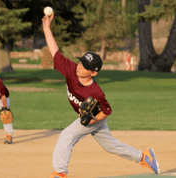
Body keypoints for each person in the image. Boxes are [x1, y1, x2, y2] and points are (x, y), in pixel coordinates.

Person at [42, 14, 160, 178]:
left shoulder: (96, 92)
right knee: (110, 146)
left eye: (85, 67)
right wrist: (47, 28)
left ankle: (60, 172)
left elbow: (107, 111)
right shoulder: (71, 69)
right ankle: (143, 156)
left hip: (95, 117)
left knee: (67, 135)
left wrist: (91, 120)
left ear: (93, 72)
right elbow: (55, 51)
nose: (80, 67)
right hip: (91, 118)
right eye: (81, 62)